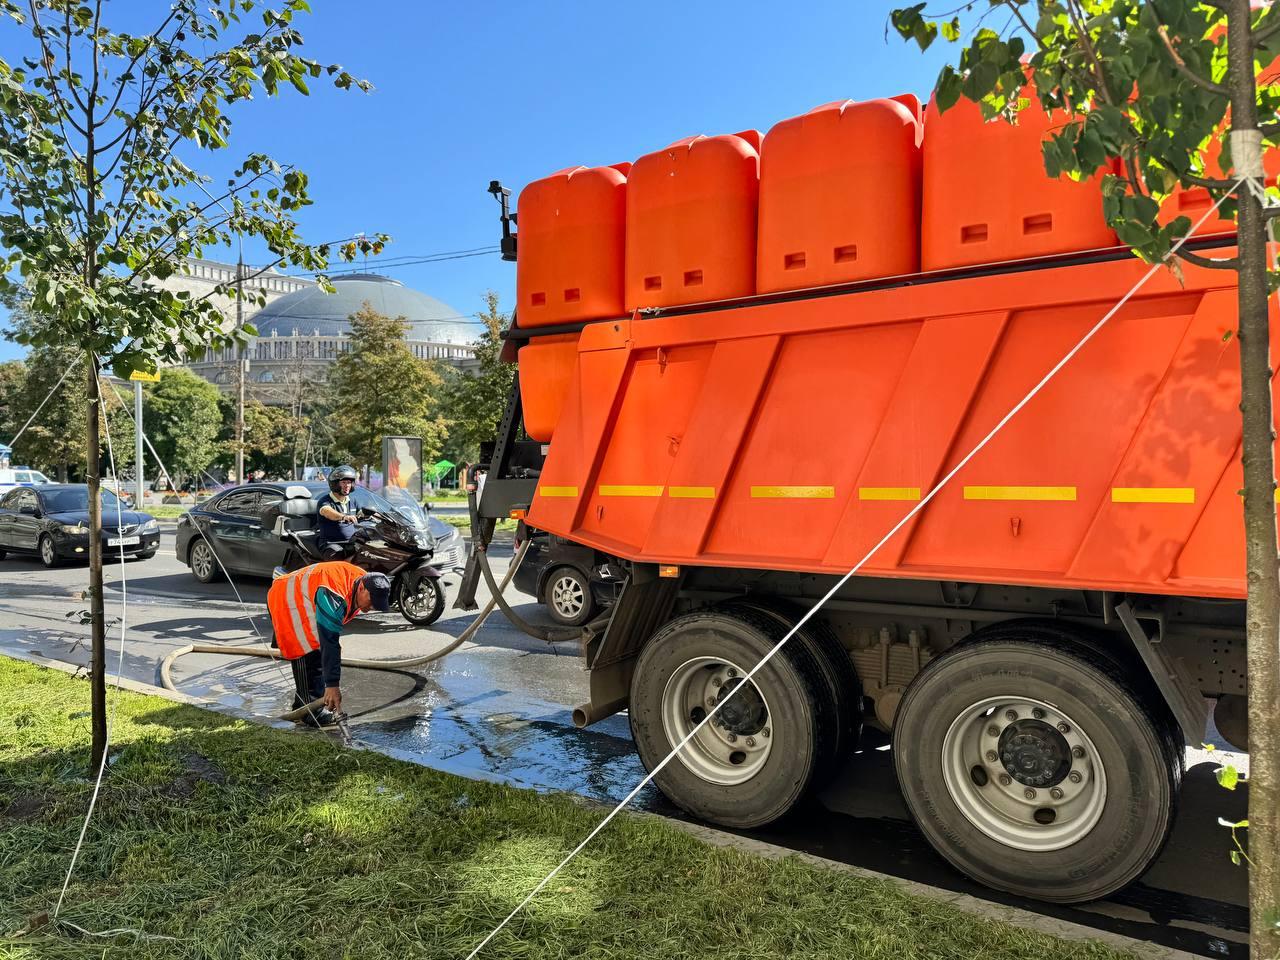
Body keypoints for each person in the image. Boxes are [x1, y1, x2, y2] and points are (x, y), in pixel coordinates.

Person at [266, 560, 392, 726]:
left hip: (303, 596)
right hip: (287, 598)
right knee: (307, 650)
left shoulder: (366, 581)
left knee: (317, 653)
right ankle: (310, 712)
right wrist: (332, 686)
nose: (373, 607)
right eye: (372, 600)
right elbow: (329, 642)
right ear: (361, 588)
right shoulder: (334, 595)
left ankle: (302, 707)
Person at [316, 464, 360, 558]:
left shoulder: (352, 500)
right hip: (331, 544)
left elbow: (361, 514)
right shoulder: (325, 501)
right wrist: (344, 517)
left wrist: (375, 514)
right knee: (338, 556)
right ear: (335, 484)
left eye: (349, 482)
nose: (347, 485)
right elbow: (327, 512)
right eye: (343, 482)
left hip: (351, 542)